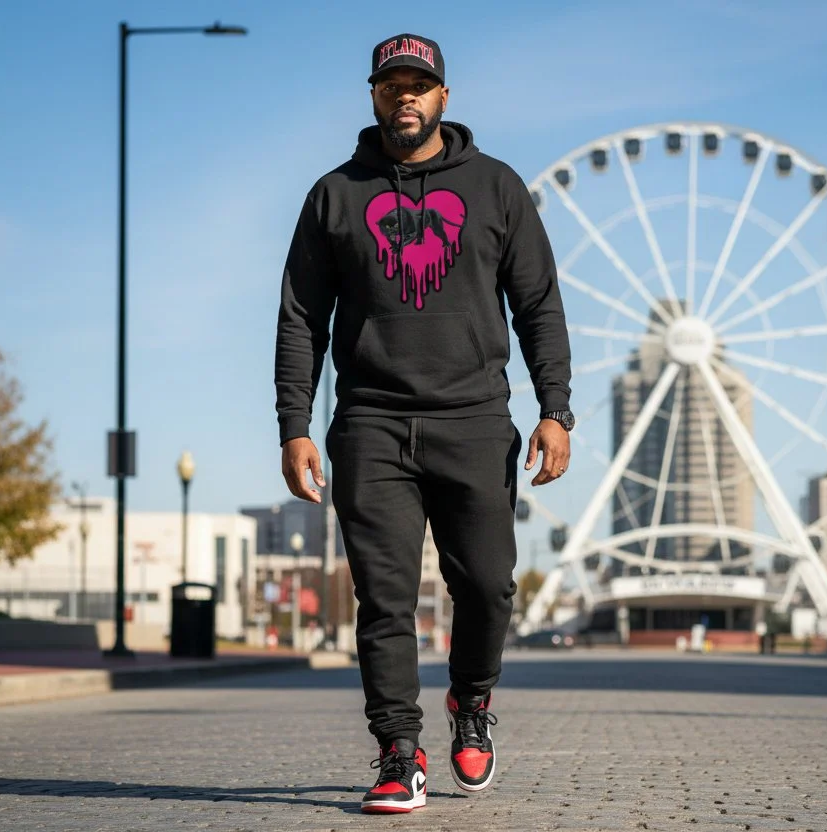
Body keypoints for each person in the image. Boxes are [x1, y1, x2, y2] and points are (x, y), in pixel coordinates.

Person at [273, 33, 574, 814]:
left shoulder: (497, 188)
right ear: (373, 95)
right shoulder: (334, 194)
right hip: (370, 420)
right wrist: (295, 424)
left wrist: (555, 410)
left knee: (488, 587)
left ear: (445, 96)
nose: (404, 96)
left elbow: (539, 305)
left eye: (419, 85)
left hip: (474, 419)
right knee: (385, 598)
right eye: (390, 84)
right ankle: (396, 753)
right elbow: (302, 317)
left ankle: (470, 701)